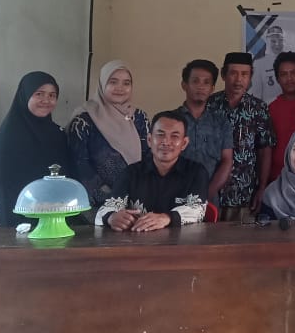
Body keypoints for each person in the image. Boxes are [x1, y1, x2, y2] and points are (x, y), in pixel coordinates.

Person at [0, 71, 71, 228]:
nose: (46, 100)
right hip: (13, 215)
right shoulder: (8, 136)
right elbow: (2, 187)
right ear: (25, 95)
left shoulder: (58, 134)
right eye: (39, 94)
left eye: (52, 95)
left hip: (51, 216)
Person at [95, 111, 209, 231]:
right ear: (149, 140)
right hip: (137, 238)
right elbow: (108, 207)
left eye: (174, 136)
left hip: (181, 241)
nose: (166, 142)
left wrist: (167, 218)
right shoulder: (131, 173)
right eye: (160, 135)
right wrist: (111, 217)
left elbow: (197, 210)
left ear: (184, 143)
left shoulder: (196, 172)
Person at [68, 60, 149, 207]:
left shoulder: (139, 117)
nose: (120, 88)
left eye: (126, 83)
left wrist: (141, 194)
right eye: (113, 82)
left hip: (137, 198)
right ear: (102, 83)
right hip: (97, 203)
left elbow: (148, 156)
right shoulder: (83, 121)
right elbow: (80, 164)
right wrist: (110, 200)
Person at [207, 52, 276, 222]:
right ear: (223, 75)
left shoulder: (258, 108)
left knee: (242, 238)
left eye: (244, 74)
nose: (239, 80)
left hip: (245, 195)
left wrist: (262, 188)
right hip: (210, 194)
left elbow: (265, 150)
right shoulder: (209, 105)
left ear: (251, 76)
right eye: (233, 73)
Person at [174, 59, 233, 203]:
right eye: (195, 81)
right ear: (184, 85)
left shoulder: (221, 122)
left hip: (209, 199)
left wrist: (207, 194)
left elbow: (227, 161)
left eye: (206, 82)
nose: (201, 86)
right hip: (173, 196)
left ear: (212, 88)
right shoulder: (171, 121)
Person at [267, 51, 295, 183]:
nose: (289, 79)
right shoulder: (269, 109)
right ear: (277, 79)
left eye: (294, 73)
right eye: (283, 74)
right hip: (275, 180)